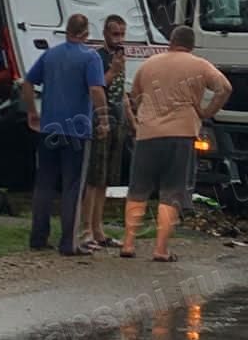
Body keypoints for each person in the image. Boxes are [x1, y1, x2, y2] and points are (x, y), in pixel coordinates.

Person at [121, 25, 232, 262]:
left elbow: (135, 96)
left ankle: (128, 243)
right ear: (191, 45)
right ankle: (160, 249)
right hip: (181, 134)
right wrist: (206, 111)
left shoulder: (149, 64)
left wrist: (145, 113)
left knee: (138, 190)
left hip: (147, 133)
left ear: (170, 42)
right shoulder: (200, 65)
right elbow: (225, 88)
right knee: (171, 192)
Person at [21, 13, 108, 256]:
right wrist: (103, 118)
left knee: (45, 184)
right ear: (86, 32)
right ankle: (69, 242)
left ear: (67, 30)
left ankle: (38, 237)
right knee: (73, 186)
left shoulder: (50, 54)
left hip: (49, 128)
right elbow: (95, 90)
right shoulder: (91, 57)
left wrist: (32, 111)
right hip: (77, 132)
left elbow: (27, 83)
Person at [80, 14, 136, 251]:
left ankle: (98, 228)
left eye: (122, 34)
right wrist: (113, 70)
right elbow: (96, 87)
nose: (119, 39)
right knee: (93, 178)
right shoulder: (98, 58)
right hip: (99, 121)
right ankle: (85, 230)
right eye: (115, 34)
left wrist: (133, 122)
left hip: (118, 121)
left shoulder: (120, 58)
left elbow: (121, 93)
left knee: (105, 179)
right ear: (105, 34)